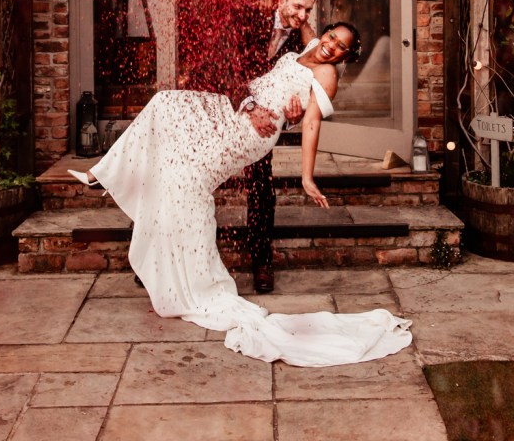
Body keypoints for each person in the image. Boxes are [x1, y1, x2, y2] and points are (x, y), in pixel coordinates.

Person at [68, 23, 413, 367]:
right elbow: (308, 30)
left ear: (348, 56)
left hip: (253, 131)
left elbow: (311, 123)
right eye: (331, 37)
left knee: (187, 169)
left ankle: (186, 273)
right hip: (238, 110)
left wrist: (307, 176)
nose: (332, 46)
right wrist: (297, 15)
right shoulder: (309, 46)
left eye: (342, 47)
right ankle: (112, 182)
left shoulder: (327, 75)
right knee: (165, 113)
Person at [237, 0, 319, 295]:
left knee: (262, 185)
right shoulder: (245, 18)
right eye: (297, 6)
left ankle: (261, 262)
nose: (301, 16)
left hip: (263, 125)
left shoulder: (302, 45)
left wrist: (292, 119)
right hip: (224, 108)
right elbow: (225, 67)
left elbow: (292, 96)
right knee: (191, 179)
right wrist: (249, 106)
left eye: (308, 11)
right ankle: (161, 255)